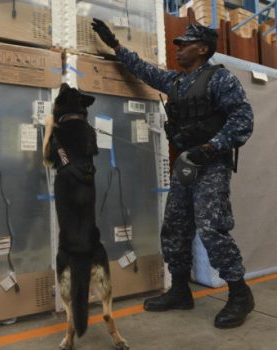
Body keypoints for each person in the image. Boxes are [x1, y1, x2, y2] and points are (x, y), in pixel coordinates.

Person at [91, 19, 254, 329]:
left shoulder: (221, 80)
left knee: (211, 228)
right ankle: (180, 291)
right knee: (175, 227)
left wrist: (210, 147)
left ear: (203, 48)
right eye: (177, 44)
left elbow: (243, 120)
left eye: (185, 44)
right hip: (185, 166)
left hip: (210, 165)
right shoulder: (177, 83)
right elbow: (144, 71)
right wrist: (115, 45)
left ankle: (240, 294)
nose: (177, 49)